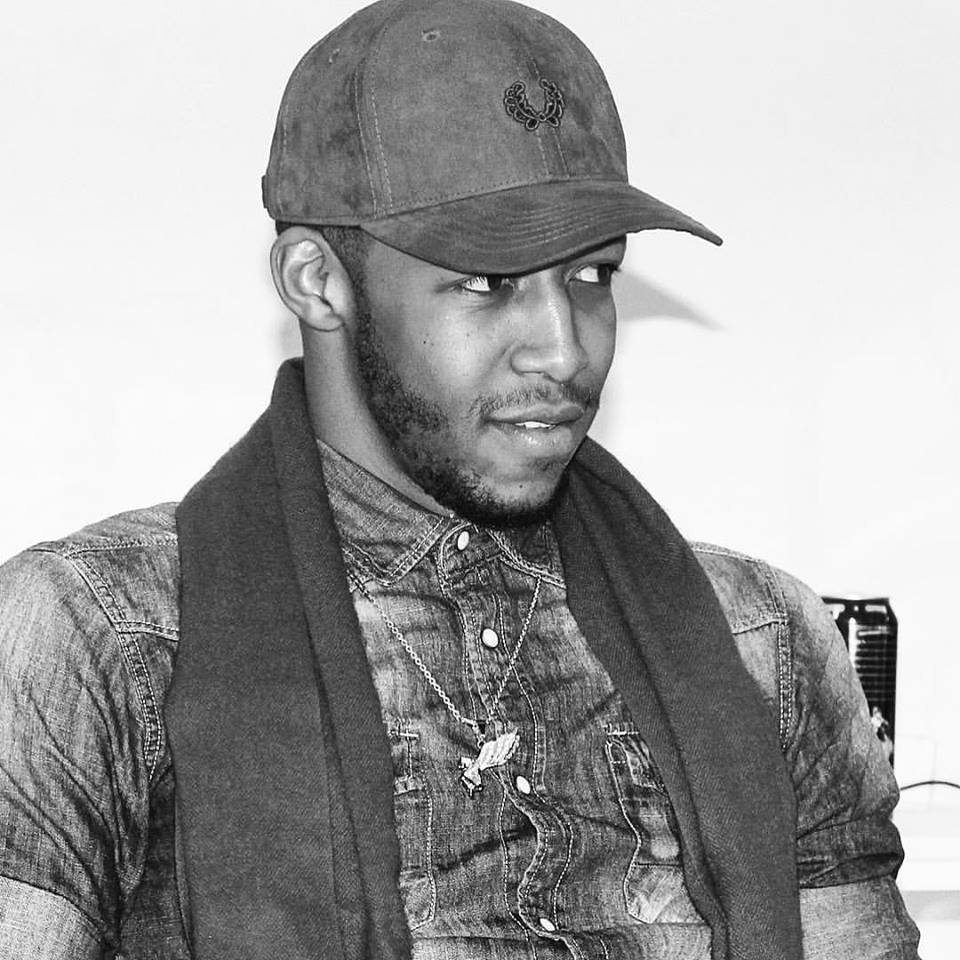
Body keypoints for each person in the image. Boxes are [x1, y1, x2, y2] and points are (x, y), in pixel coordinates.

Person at [0, 1, 920, 958]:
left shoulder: (761, 637)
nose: (563, 350)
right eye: (487, 282)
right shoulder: (101, 635)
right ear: (316, 280)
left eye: (592, 277)